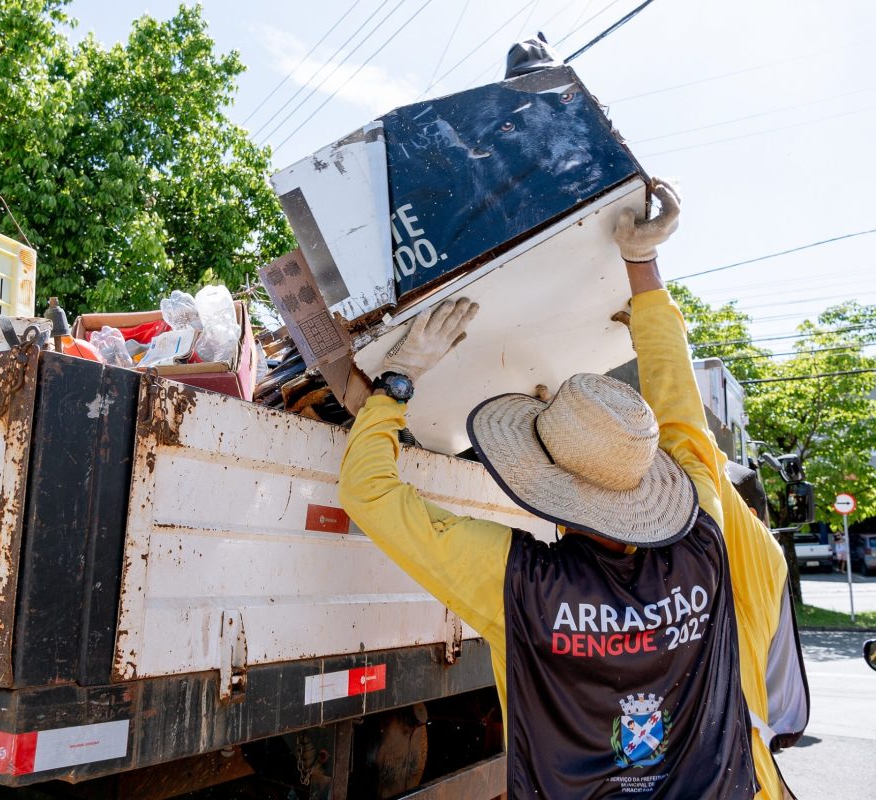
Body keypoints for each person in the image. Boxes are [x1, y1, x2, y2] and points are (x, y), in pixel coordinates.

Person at [339, 181, 790, 798]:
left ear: (545, 488)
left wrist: (400, 380)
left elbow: (369, 493)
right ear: (645, 483)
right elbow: (684, 416)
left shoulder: (519, 582)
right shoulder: (704, 544)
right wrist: (643, 265)